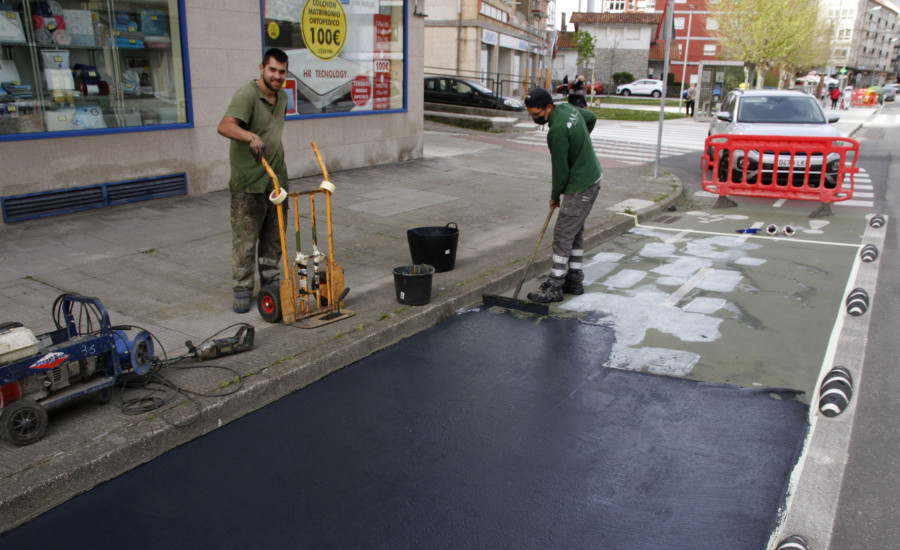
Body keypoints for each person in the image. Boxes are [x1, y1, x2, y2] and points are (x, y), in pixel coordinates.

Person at [217, 48, 290, 313]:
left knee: (274, 237)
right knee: (246, 240)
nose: (277, 76)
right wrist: (249, 136)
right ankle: (242, 290)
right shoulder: (247, 95)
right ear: (261, 68)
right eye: (272, 70)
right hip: (248, 182)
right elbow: (224, 126)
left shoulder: (282, 97)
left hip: (276, 180)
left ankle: (270, 283)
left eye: (282, 72)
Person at [523, 88, 602, 303]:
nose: (535, 118)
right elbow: (591, 118)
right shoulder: (567, 109)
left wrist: (555, 195)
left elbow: (560, 170)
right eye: (531, 114)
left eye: (537, 114)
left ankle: (555, 286)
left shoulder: (556, 131)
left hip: (581, 184)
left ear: (548, 107)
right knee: (574, 232)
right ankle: (574, 280)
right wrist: (579, 143)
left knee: (562, 234)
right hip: (591, 177)